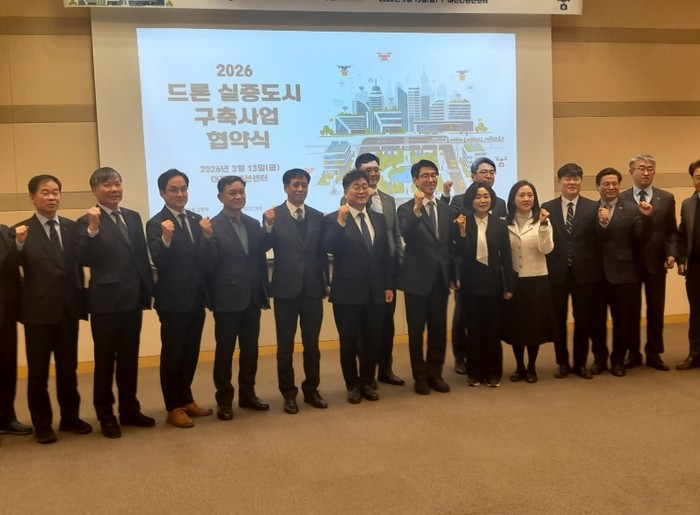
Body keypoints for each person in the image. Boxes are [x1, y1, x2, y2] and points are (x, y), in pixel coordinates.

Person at [76, 167, 155, 439]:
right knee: (105, 362)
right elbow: (83, 258)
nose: (114, 189)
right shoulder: (86, 221)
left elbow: (140, 257)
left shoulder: (132, 217)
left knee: (129, 359)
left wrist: (147, 291)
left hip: (132, 299)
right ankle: (105, 414)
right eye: (107, 185)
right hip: (105, 303)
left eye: (117, 183)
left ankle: (129, 409)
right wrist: (93, 229)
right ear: (94, 191)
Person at [14, 175, 92, 444]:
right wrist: (18, 244)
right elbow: (10, 265)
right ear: (32, 197)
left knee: (68, 370)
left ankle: (70, 418)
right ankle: (42, 424)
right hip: (38, 312)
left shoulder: (72, 228)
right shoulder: (20, 231)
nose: (51, 197)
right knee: (38, 374)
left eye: (56, 192)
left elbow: (81, 261)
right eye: (45, 192)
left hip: (68, 311)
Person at [200, 176, 270, 421]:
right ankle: (224, 401)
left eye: (241, 192)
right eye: (232, 193)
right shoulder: (212, 226)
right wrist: (206, 238)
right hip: (226, 299)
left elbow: (259, 258)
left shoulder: (253, 223)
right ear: (221, 197)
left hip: (251, 298)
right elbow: (207, 263)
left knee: (250, 351)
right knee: (225, 353)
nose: (238, 196)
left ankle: (248, 395)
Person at [146, 169, 212, 428]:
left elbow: (205, 260)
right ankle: (173, 406)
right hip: (173, 301)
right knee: (173, 355)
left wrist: (207, 236)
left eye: (183, 188)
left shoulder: (196, 219)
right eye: (174, 189)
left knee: (190, 353)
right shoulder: (156, 223)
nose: (180, 194)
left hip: (196, 298)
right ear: (162, 193)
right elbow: (158, 261)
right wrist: (166, 238)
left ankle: (186, 399)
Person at [324, 169, 394, 404]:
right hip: (347, 293)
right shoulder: (333, 218)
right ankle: (352, 385)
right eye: (356, 187)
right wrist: (341, 222)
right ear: (346, 192)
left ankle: (367, 381)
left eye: (365, 186)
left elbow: (384, 256)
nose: (362, 191)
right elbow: (329, 247)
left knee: (373, 340)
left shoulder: (378, 219)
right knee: (349, 342)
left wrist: (388, 285)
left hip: (375, 291)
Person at [263, 168, 328, 414]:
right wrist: (267, 226)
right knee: (285, 347)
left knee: (312, 346)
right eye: (295, 185)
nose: (300, 189)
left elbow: (322, 253)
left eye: (304, 185)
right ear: (285, 188)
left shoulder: (318, 216)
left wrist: (325, 282)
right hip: (285, 291)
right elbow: (262, 246)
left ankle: (312, 390)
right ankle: (288, 394)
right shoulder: (273, 215)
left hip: (312, 290)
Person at [441, 157, 506, 375]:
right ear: (472, 176)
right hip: (466, 271)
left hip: (491, 273)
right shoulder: (460, 201)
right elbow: (450, 233)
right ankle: (461, 357)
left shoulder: (500, 203)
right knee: (463, 317)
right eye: (484, 172)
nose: (489, 175)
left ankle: (485, 361)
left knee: (489, 320)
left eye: (492, 172)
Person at [397, 159, 457, 395]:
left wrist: (453, 275)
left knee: (438, 331)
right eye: (425, 176)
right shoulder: (406, 209)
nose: (430, 179)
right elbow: (406, 234)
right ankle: (420, 377)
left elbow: (449, 246)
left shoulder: (446, 209)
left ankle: (435, 374)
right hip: (416, 280)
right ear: (415, 181)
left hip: (440, 279)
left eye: (433, 175)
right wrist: (417, 209)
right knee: (415, 333)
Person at [541, 163, 604, 380]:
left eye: (576, 179)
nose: (572, 182)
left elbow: (599, 241)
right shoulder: (547, 207)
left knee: (583, 320)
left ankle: (580, 363)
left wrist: (603, 224)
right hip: (557, 273)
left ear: (581, 182)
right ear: (559, 182)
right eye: (567, 178)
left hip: (585, 274)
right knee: (558, 320)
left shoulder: (593, 207)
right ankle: (562, 363)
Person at [619, 154, 678, 371]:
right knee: (631, 311)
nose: (646, 173)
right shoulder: (621, 198)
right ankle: (632, 352)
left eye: (650, 169)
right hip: (629, 264)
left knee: (656, 310)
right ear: (631, 171)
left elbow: (671, 231)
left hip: (656, 263)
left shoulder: (667, 198)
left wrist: (672, 253)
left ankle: (654, 353)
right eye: (641, 168)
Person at [593, 168, 652, 377]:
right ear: (598, 187)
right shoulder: (589, 209)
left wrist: (646, 219)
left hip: (623, 275)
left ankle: (618, 360)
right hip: (596, 276)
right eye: (606, 184)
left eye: (614, 183)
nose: (611, 187)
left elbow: (641, 239)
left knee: (621, 321)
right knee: (596, 322)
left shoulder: (631, 209)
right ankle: (599, 359)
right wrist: (601, 224)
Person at [455, 182, 515, 387]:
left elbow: (506, 257)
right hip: (470, 284)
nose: (483, 200)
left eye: (486, 196)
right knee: (473, 331)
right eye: (478, 196)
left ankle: (493, 373)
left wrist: (509, 286)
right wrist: (462, 232)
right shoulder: (463, 222)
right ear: (470, 200)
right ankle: (474, 372)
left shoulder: (500, 224)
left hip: (493, 284)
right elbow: (459, 253)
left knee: (492, 331)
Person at [355, 153, 404, 386]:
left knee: (386, 324)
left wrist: (399, 263)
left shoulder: (389, 200)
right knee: (365, 327)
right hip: (364, 273)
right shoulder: (351, 198)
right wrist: (366, 198)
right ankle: (367, 373)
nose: (373, 174)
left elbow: (395, 234)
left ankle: (385, 369)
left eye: (376, 170)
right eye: (368, 170)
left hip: (387, 270)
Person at [501, 180, 556, 383]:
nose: (526, 199)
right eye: (521, 195)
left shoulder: (543, 219)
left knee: (534, 327)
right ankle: (519, 367)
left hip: (536, 280)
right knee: (516, 326)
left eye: (530, 195)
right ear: (513, 199)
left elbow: (546, 249)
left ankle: (531, 367)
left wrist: (543, 225)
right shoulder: (504, 222)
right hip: (514, 280)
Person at [0, 224, 33, 440]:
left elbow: (15, 266)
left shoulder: (4, 231)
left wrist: (19, 244)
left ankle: (5, 417)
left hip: (6, 311)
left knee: (6, 366)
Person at [676, 160, 700, 370]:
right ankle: (695, 354)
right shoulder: (688, 204)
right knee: (696, 313)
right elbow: (682, 235)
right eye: (698, 177)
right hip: (696, 268)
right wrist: (681, 259)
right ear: (693, 179)